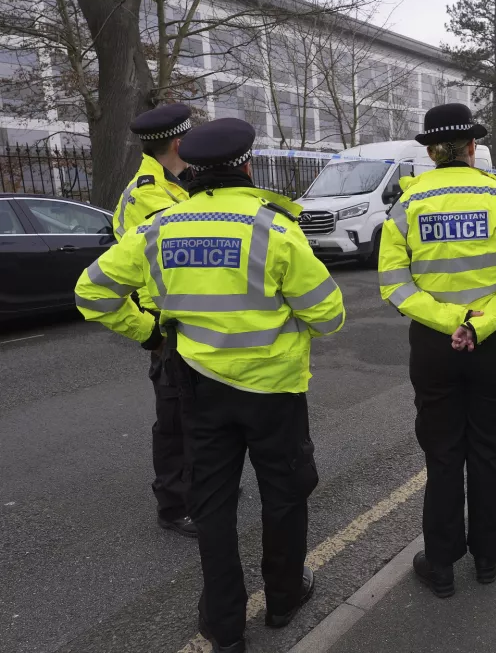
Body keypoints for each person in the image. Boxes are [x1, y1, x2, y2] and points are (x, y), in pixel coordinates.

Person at [75, 118, 346, 653]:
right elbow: (329, 316)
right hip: (273, 392)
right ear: (247, 165)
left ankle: (224, 624)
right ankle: (284, 598)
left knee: (214, 505)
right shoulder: (274, 228)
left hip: (198, 388)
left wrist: (150, 333)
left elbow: (92, 292)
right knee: (284, 495)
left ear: (193, 169)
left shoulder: (158, 228)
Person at [378, 103, 496, 598]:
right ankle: (488, 557)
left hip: (434, 344)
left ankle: (443, 564)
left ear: (430, 150)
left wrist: (451, 322)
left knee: (443, 452)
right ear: (472, 147)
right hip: (493, 343)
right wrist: (480, 323)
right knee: (490, 452)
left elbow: (394, 282)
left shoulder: (406, 206)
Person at [114, 103, 196, 537]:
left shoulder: (171, 185)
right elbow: (151, 270)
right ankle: (174, 505)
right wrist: (155, 334)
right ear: (180, 143)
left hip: (179, 320)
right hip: (165, 324)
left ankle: (194, 487)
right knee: (174, 419)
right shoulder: (151, 194)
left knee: (193, 410)